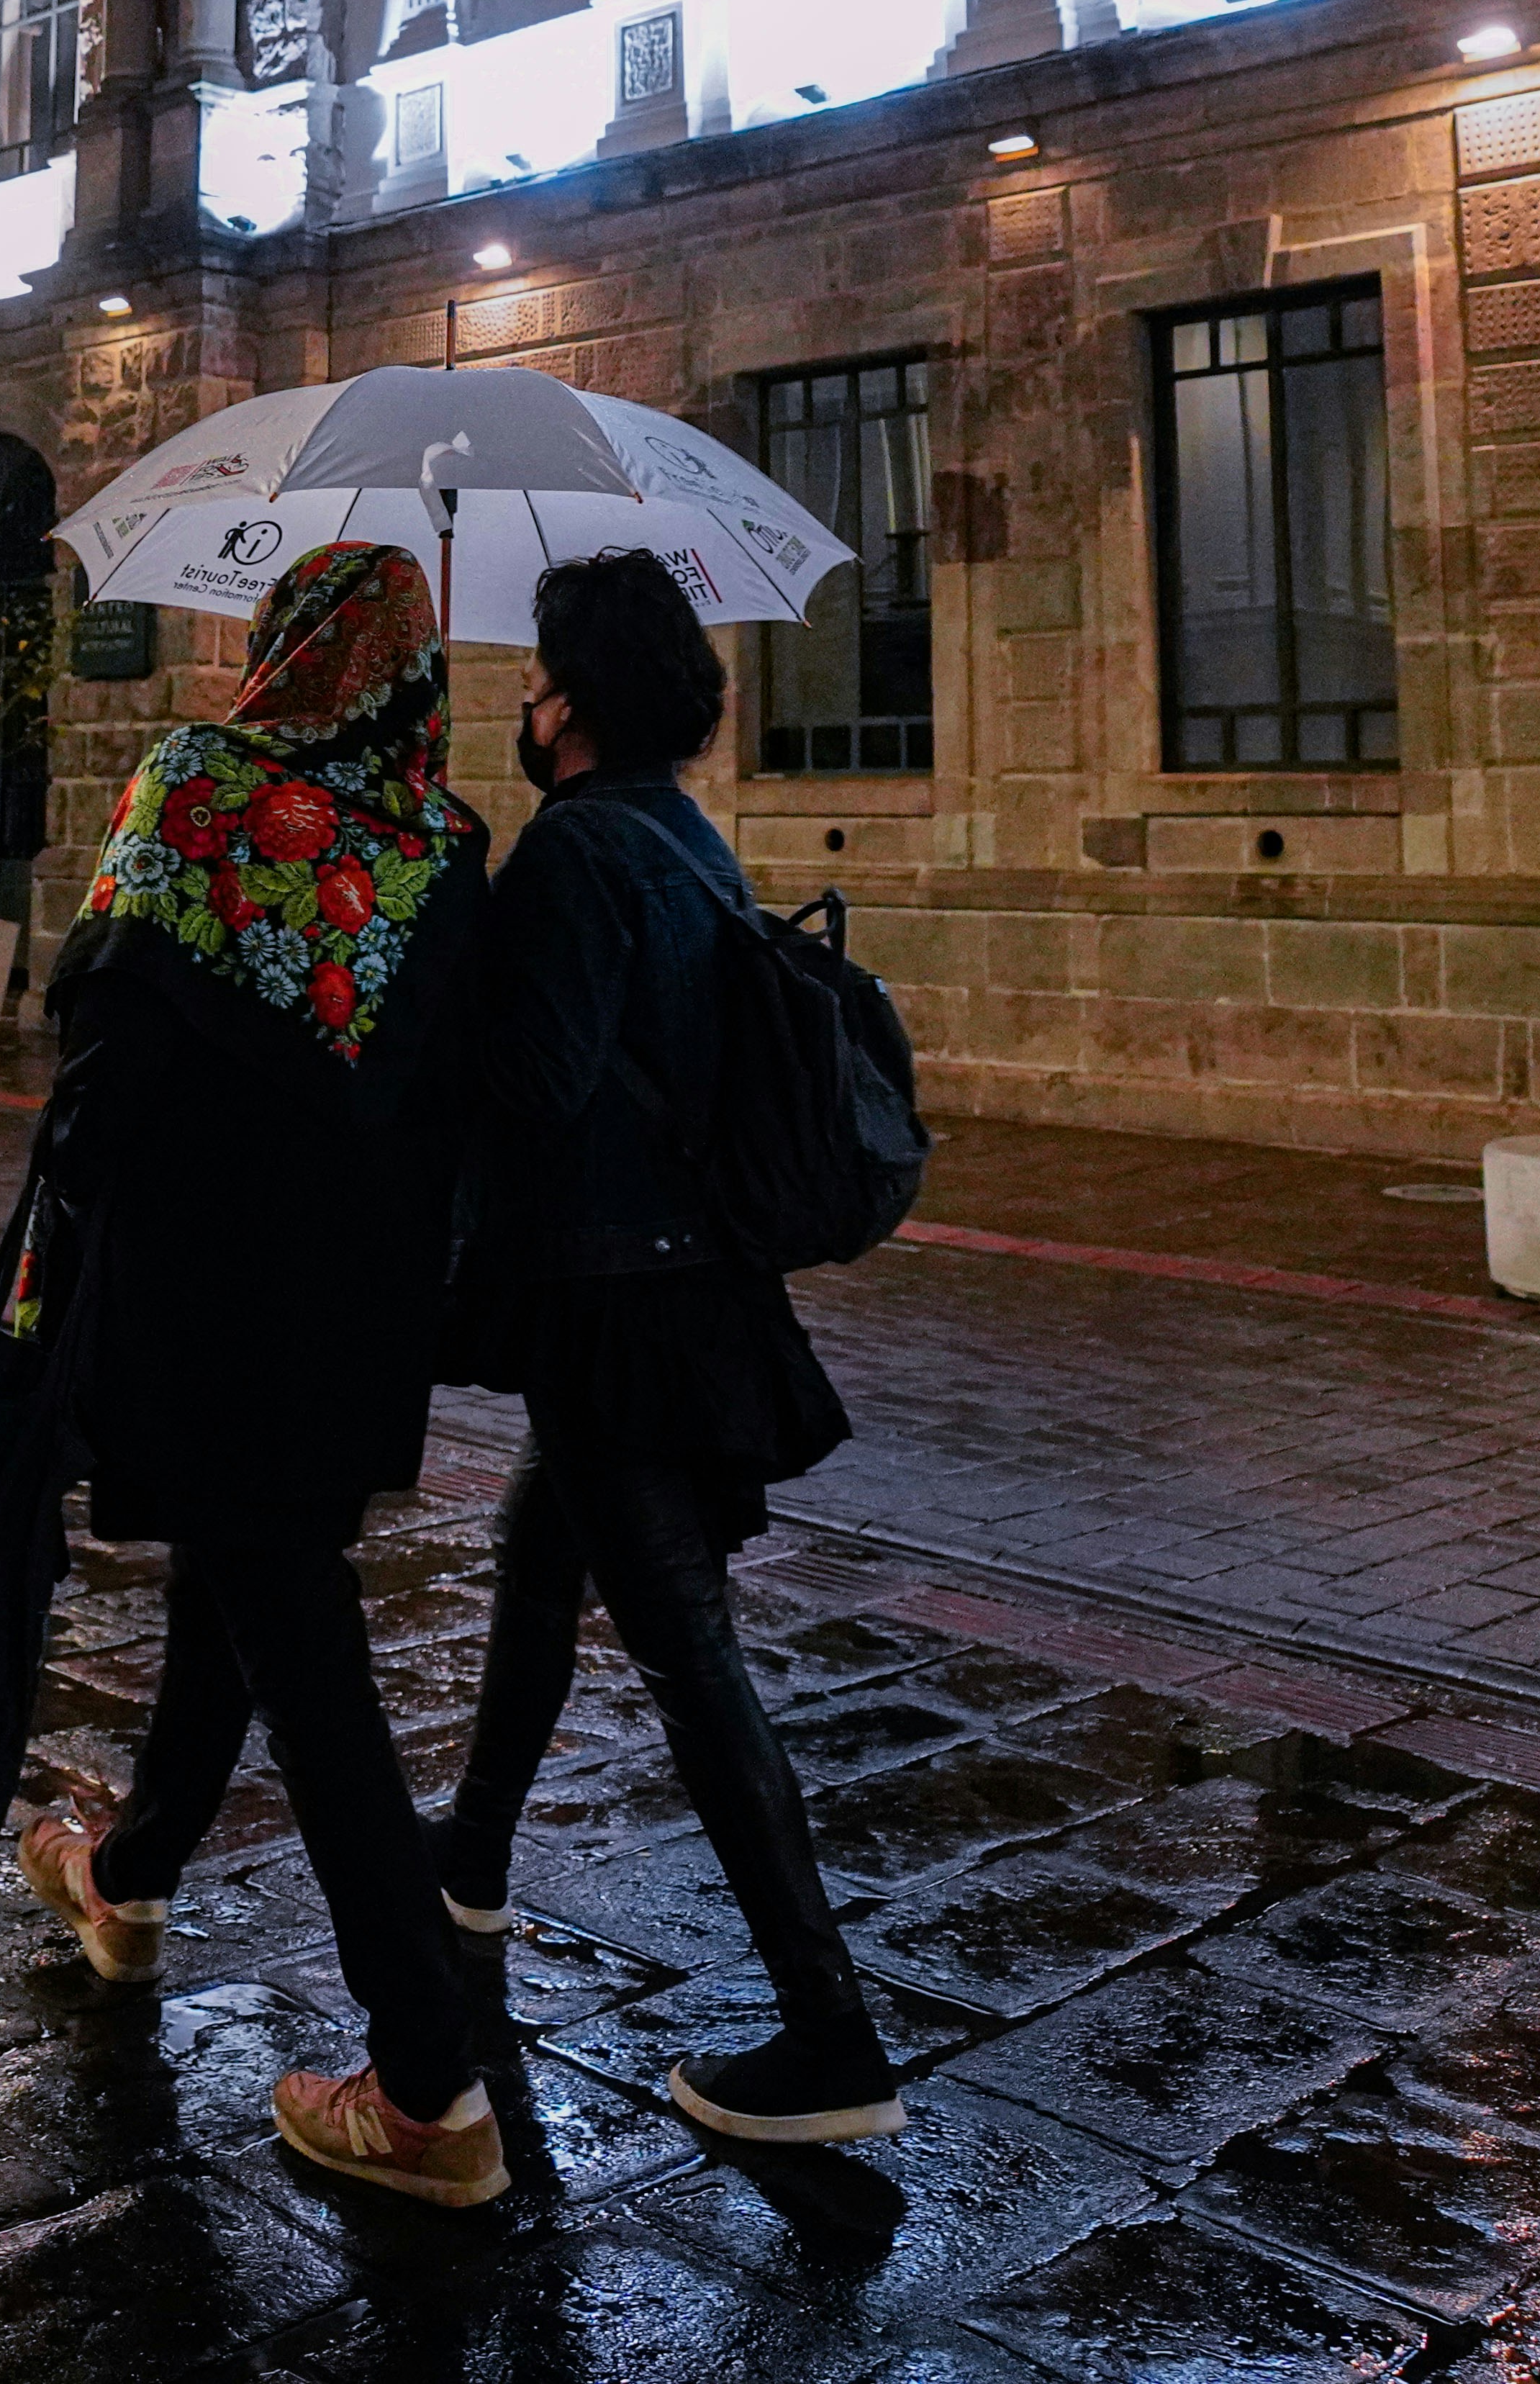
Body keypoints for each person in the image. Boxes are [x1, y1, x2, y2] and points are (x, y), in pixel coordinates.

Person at [0, 538, 511, 2212]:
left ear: (288, 646)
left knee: (306, 1646)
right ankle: (128, 1876)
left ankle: (431, 2076)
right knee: (248, 1575)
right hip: (356, 1322)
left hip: (198, 1290)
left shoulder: (197, 784)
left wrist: (57, 1236)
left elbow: (102, 1043)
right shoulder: (449, 842)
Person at [428, 547, 900, 2146]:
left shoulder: (572, 853)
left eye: (539, 670)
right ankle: (471, 1859)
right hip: (678, 1288)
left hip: (622, 1311)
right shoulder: (679, 833)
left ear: (571, 704)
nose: (523, 694)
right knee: (532, 1543)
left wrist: (447, 937)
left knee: (693, 1664)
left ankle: (830, 2038)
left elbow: (534, 1085)